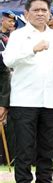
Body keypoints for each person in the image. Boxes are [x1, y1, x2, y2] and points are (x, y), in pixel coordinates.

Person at [3, 0, 53, 183]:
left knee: (47, 152)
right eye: (36, 10)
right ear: (26, 14)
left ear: (49, 13)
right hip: (24, 101)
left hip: (50, 102)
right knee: (24, 151)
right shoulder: (18, 36)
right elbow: (8, 60)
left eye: (44, 10)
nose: (40, 14)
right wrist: (32, 49)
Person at [0, 11, 15, 165]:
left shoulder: (14, 38)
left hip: (9, 82)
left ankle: (8, 157)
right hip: (3, 79)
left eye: (13, 22)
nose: (11, 24)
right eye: (9, 21)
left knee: (7, 123)